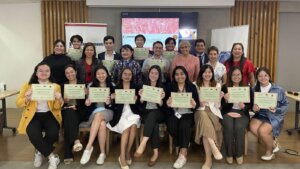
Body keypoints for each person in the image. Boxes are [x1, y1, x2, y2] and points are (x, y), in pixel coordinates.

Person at [16, 62, 63, 169]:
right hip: (33, 116)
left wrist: (59, 98)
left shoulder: (55, 86)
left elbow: (56, 107)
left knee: (53, 133)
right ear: (36, 73)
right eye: (40, 70)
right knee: (33, 133)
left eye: (47, 71)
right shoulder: (28, 85)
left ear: (50, 73)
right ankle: (52, 156)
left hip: (50, 115)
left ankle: (39, 151)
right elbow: (18, 103)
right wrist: (27, 98)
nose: (44, 73)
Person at [249, 67, 288, 161]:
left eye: (265, 75)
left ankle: (269, 152)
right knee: (252, 128)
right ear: (257, 77)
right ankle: (273, 143)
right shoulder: (255, 89)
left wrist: (277, 109)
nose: (263, 78)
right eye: (260, 76)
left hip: (273, 115)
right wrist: (254, 108)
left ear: (269, 76)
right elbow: (252, 106)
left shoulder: (278, 89)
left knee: (262, 131)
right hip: (260, 114)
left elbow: (285, 105)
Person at [165, 66, 200, 169]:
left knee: (184, 125)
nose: (179, 76)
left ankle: (183, 153)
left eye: (182, 74)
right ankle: (185, 141)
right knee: (171, 126)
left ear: (186, 75)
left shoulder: (192, 87)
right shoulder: (169, 87)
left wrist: (194, 104)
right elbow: (164, 105)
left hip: (188, 113)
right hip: (174, 113)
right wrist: (167, 104)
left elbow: (197, 103)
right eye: (177, 74)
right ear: (174, 76)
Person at [107, 68, 141, 169]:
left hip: (133, 112)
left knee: (134, 126)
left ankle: (127, 152)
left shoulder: (136, 87)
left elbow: (140, 105)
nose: (127, 76)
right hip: (121, 113)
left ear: (132, 76)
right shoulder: (116, 87)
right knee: (127, 128)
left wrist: (137, 99)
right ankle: (122, 156)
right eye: (125, 74)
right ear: (121, 75)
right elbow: (111, 105)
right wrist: (112, 99)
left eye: (129, 74)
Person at [80, 66, 115, 165]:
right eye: (98, 74)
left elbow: (115, 106)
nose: (101, 75)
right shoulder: (91, 86)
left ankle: (88, 147)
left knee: (100, 116)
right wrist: (87, 103)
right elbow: (87, 105)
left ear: (107, 74)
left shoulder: (112, 86)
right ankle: (102, 153)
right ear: (95, 75)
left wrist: (109, 102)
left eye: (103, 73)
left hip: (108, 112)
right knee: (102, 124)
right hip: (94, 113)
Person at [134, 65, 166, 167]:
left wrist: (161, 100)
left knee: (153, 114)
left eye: (156, 73)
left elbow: (164, 106)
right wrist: (141, 98)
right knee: (154, 125)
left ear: (159, 75)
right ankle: (155, 153)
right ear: (148, 74)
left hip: (158, 112)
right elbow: (140, 104)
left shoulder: (163, 87)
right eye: (152, 73)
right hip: (146, 112)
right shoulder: (142, 85)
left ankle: (143, 143)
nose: (153, 75)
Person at [221, 66, 253, 164]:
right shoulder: (225, 87)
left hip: (242, 113)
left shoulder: (246, 88)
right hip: (228, 112)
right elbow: (222, 106)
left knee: (239, 127)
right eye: (234, 75)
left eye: (238, 74)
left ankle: (239, 154)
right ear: (230, 76)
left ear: (241, 76)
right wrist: (226, 100)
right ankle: (229, 154)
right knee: (229, 126)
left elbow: (251, 105)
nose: (236, 76)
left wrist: (244, 106)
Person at [194, 64, 224, 169]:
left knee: (205, 127)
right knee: (202, 114)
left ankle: (209, 159)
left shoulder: (217, 85)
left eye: (209, 72)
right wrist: (199, 103)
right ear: (201, 73)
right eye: (205, 72)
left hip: (213, 111)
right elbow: (192, 103)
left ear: (212, 74)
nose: (207, 74)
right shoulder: (195, 85)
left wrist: (219, 98)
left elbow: (217, 106)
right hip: (200, 110)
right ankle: (213, 148)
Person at [61, 64, 87, 164]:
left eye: (71, 72)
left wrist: (86, 95)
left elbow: (87, 104)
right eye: (67, 73)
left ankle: (68, 153)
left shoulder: (82, 83)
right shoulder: (62, 85)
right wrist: (64, 100)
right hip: (67, 110)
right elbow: (59, 104)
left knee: (69, 118)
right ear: (65, 74)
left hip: (80, 111)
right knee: (68, 113)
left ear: (76, 72)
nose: (70, 74)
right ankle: (76, 140)